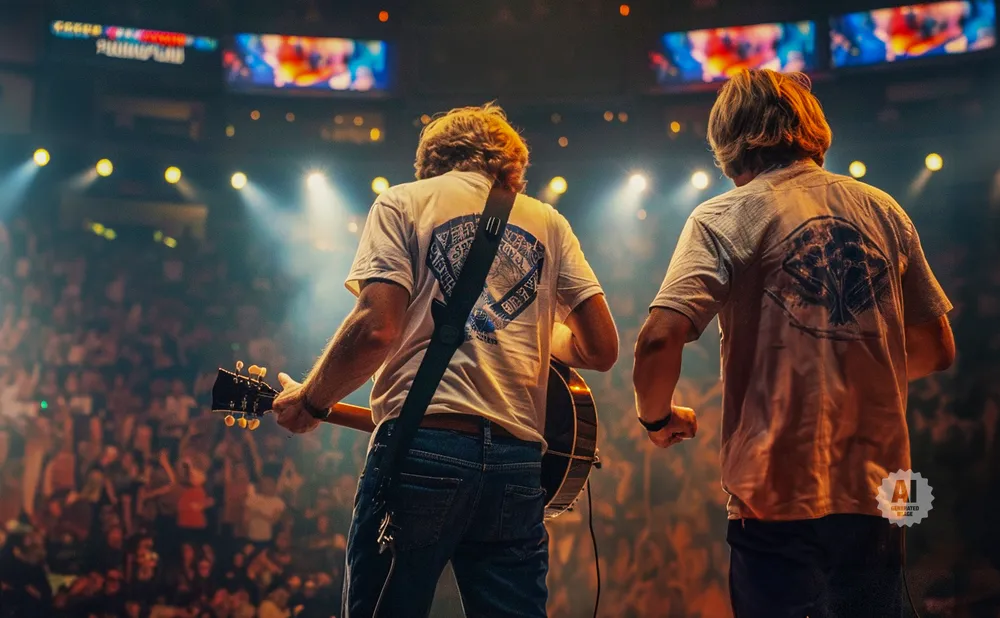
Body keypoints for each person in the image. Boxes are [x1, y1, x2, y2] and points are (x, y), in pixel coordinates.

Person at [273, 102, 619, 617]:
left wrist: (312, 400)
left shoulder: (403, 203)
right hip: (518, 464)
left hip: (423, 450)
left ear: (430, 160)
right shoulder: (550, 222)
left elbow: (376, 327)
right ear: (512, 166)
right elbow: (601, 349)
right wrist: (530, 327)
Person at [632, 68, 956, 618]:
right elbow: (935, 349)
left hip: (773, 495)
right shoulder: (884, 211)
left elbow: (660, 339)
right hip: (883, 496)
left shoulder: (723, 215)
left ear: (729, 139)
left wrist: (657, 420)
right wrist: (851, 365)